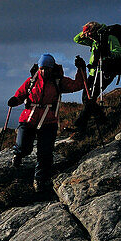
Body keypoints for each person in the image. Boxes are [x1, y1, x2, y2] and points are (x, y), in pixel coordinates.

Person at [7, 53, 85, 191]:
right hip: (28, 118)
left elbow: (77, 85)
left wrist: (81, 70)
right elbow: (21, 94)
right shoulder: (31, 81)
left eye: (47, 68)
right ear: (39, 67)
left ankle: (39, 181)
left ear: (52, 68)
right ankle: (19, 154)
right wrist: (15, 100)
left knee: (45, 153)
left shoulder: (58, 81)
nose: (44, 71)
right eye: (42, 68)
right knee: (23, 146)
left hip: (48, 121)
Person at [73, 21, 121, 130]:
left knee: (90, 98)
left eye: (88, 33)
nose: (87, 36)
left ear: (94, 31)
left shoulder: (109, 38)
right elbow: (76, 39)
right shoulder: (94, 41)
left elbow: (119, 52)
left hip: (105, 72)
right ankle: (102, 120)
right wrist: (84, 32)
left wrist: (107, 54)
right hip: (93, 72)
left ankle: (81, 124)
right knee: (86, 97)